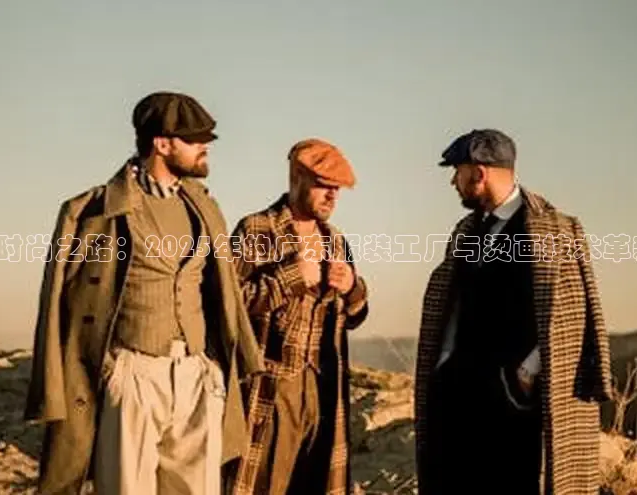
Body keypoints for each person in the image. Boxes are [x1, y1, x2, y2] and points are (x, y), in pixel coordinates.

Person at [24, 91, 265, 495]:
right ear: (162, 144)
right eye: (193, 139)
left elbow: (223, 295)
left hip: (195, 374)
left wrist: (214, 366)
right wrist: (107, 372)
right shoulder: (93, 211)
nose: (205, 146)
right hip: (133, 373)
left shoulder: (205, 208)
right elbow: (57, 306)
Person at [413, 129, 613, 494]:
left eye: (457, 172)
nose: (453, 182)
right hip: (457, 395)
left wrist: (526, 373)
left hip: (513, 399)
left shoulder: (555, 228)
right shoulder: (466, 230)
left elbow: (573, 313)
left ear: (479, 173)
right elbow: (454, 302)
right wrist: (442, 367)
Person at [226, 138, 369, 495]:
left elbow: (356, 315)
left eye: (337, 189)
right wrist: (289, 278)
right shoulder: (255, 229)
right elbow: (227, 306)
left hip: (325, 390)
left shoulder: (336, 240)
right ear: (297, 179)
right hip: (270, 390)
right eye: (324, 185)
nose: (332, 196)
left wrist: (352, 287)